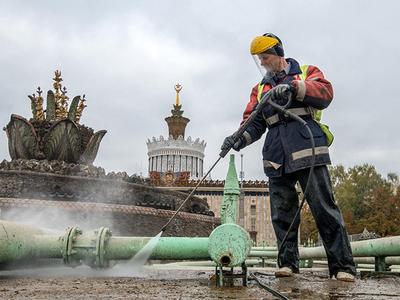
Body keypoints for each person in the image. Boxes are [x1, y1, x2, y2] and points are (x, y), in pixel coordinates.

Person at [221, 33, 356, 282]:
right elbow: (253, 122)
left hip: (307, 149)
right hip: (275, 155)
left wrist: (295, 87)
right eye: (259, 59)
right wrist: (237, 138)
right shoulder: (260, 88)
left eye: (266, 57)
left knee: (324, 208)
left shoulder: (305, 71)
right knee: (281, 213)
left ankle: (343, 266)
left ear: (279, 54)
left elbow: (325, 93)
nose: (262, 62)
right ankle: (288, 264)